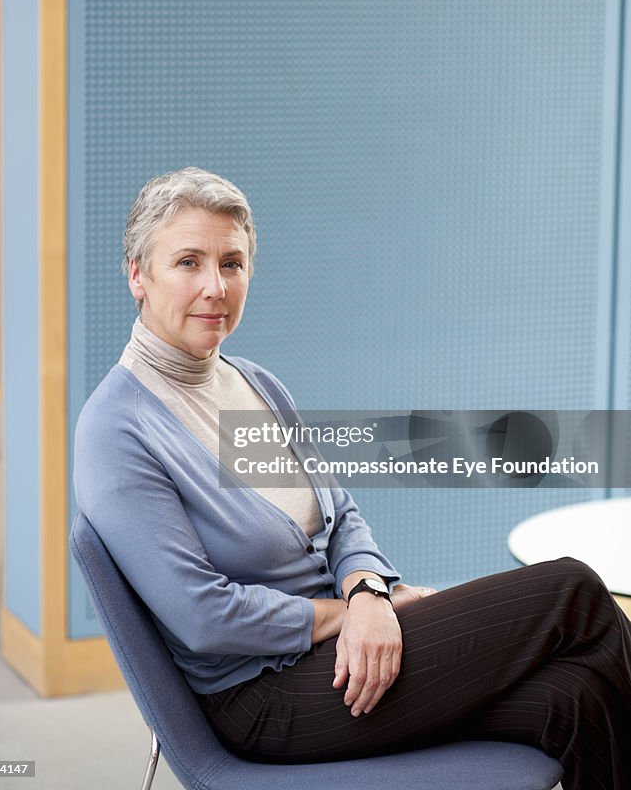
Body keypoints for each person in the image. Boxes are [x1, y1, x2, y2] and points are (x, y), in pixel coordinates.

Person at [74, 167, 631, 790]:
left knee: (575, 696)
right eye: (187, 262)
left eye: (232, 263)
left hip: (344, 652)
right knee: (574, 589)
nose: (214, 286)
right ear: (137, 276)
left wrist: (368, 591)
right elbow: (201, 616)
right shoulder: (118, 430)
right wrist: (354, 612)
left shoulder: (253, 384)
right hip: (266, 694)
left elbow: (342, 520)